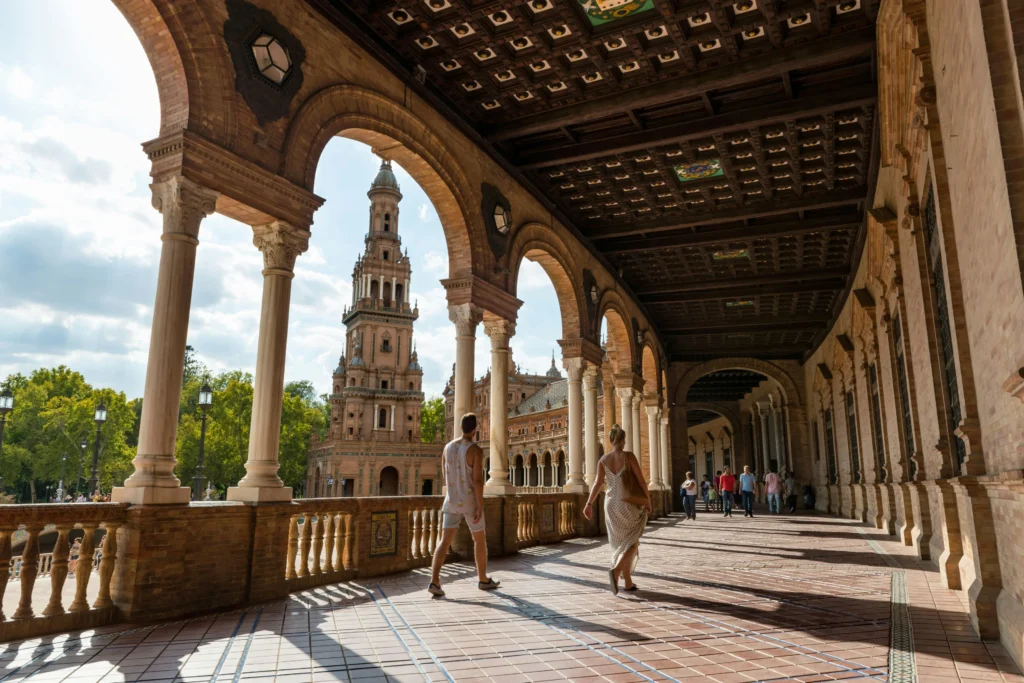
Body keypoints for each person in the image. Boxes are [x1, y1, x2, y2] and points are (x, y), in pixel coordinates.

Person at [428, 413, 498, 597]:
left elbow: (445, 474)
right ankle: (483, 579)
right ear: (475, 430)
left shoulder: (447, 448)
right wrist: (480, 505)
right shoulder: (475, 450)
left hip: (451, 501)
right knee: (479, 540)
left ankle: (434, 581)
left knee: (444, 542)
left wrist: (453, 491)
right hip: (470, 502)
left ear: (461, 428)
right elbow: (477, 481)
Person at [584, 424, 651, 595]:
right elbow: (641, 481)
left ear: (611, 440)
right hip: (627, 503)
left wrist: (589, 503)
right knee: (632, 540)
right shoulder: (628, 457)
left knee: (620, 543)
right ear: (623, 439)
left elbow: (597, 484)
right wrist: (648, 499)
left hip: (611, 504)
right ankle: (616, 570)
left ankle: (627, 582)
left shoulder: (603, 460)